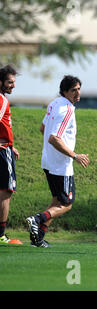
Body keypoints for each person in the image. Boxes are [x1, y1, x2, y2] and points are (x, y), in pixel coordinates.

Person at [26, 75, 90, 247]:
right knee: (67, 204)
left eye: (78, 89)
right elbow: (54, 138)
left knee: (56, 201)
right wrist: (74, 155)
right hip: (60, 165)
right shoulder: (68, 109)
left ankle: (37, 239)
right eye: (73, 90)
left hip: (48, 161)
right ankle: (37, 218)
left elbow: (43, 128)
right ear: (65, 92)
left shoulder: (54, 103)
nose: (77, 93)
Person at [0, 65, 21, 245]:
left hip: (6, 147)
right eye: (9, 82)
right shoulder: (1, 100)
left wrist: (11, 145)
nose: (13, 85)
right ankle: (1, 235)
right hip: (1, 151)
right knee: (6, 192)